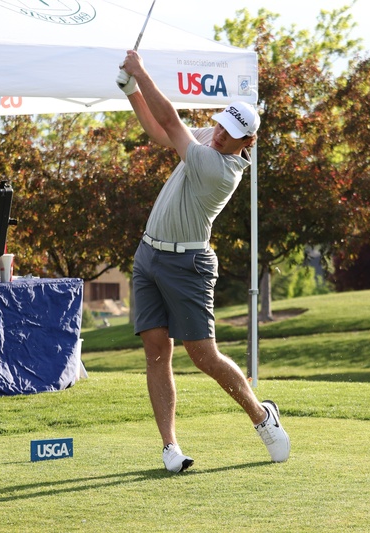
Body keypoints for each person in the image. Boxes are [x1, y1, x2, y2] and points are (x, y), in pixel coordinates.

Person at [117, 50, 290, 473]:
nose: (220, 135)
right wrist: (132, 92)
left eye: (232, 134)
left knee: (203, 356)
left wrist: (140, 72)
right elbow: (160, 131)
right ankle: (170, 447)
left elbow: (170, 120)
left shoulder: (220, 168)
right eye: (220, 125)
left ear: (247, 143)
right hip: (149, 256)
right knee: (156, 351)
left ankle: (261, 416)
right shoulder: (211, 138)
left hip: (187, 266)